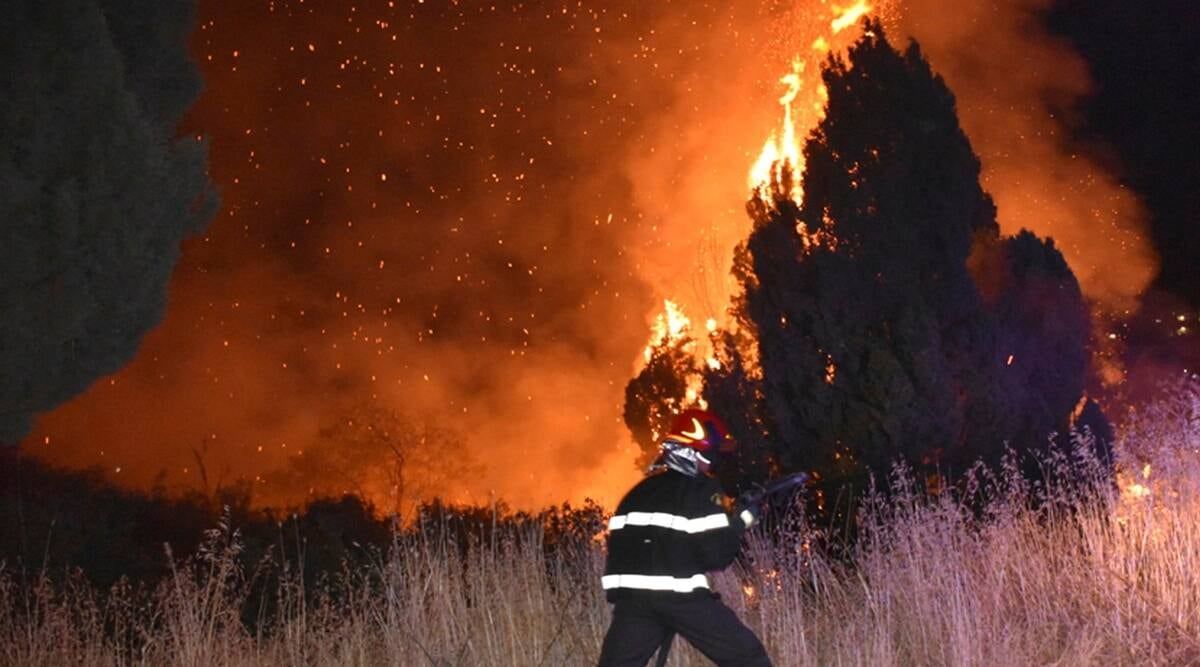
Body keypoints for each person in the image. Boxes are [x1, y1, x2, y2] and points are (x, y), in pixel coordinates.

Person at [597, 408, 772, 667]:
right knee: (748, 657)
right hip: (681, 599)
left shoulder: (638, 492)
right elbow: (717, 554)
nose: (712, 465)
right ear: (696, 452)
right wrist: (741, 522)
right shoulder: (701, 490)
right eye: (711, 456)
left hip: (632, 603)